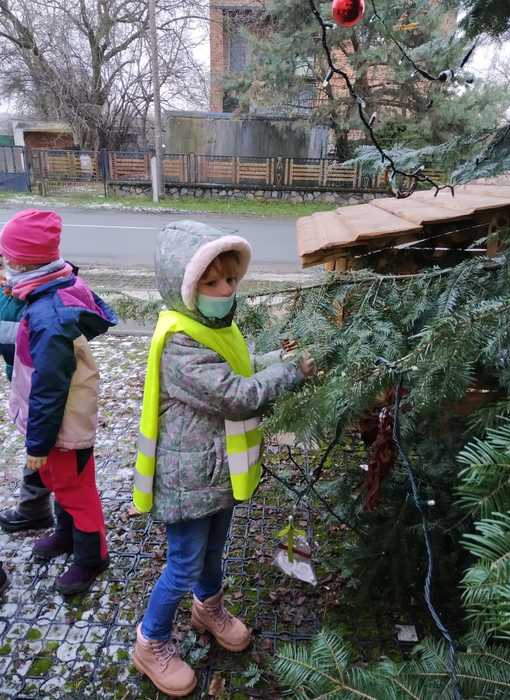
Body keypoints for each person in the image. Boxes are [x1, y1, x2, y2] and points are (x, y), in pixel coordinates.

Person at [131, 220, 316, 697]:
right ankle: (150, 642)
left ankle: (208, 609)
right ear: (185, 288)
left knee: (214, 553)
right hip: (187, 480)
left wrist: (279, 359)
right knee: (183, 566)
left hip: (215, 473)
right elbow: (237, 394)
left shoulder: (215, 327)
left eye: (231, 279)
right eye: (211, 282)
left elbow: (243, 367)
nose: (226, 290)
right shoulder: (181, 342)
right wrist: (292, 373)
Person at [0, 209, 117, 595]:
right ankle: (66, 535)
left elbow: (49, 390)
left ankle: (91, 557)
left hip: (64, 425)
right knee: (63, 484)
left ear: (22, 263)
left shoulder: (48, 317)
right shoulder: (50, 288)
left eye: (6, 257)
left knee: (77, 491)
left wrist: (37, 445)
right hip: (59, 422)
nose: (4, 264)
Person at [0, 258, 54, 534]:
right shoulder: (11, 294)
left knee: (44, 445)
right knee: (39, 443)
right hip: (25, 384)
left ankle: (41, 510)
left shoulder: (39, 295)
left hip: (42, 387)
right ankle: (37, 507)